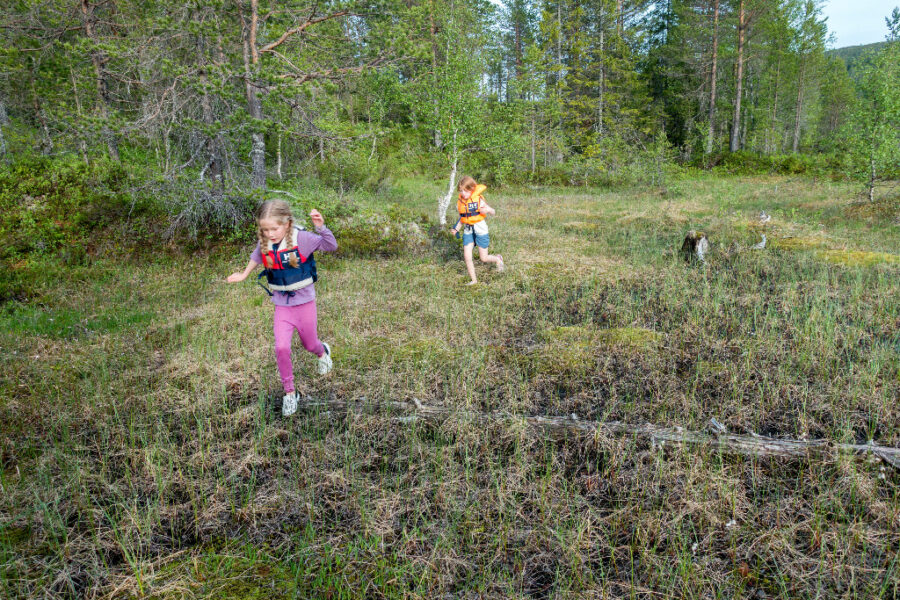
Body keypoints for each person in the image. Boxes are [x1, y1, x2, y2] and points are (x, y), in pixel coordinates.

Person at [227, 199, 337, 416]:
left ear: (287, 223)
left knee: (309, 344)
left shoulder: (302, 238)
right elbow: (257, 256)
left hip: (304, 303)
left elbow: (331, 246)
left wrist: (321, 228)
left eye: (274, 228)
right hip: (282, 305)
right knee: (281, 348)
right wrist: (243, 274)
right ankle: (290, 393)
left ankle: (322, 352)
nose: (270, 234)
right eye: (265, 229)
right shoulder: (266, 241)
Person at [449, 176, 504, 285]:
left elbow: (493, 211)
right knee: (467, 256)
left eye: (466, 190)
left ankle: (498, 259)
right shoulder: (460, 202)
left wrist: (487, 210)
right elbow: (462, 218)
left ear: (472, 188)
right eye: (461, 191)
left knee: (483, 258)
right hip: (468, 231)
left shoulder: (478, 200)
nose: (463, 193)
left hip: (480, 230)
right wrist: (456, 229)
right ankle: (474, 280)